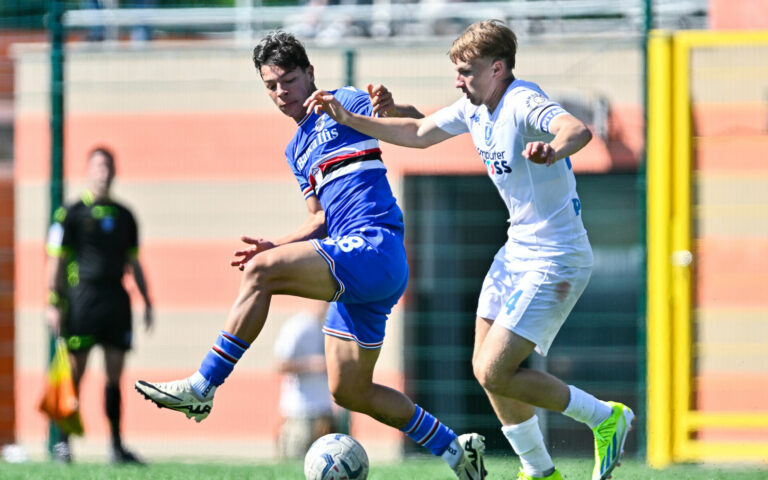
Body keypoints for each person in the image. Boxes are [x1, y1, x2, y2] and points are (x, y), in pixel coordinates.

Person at [134, 31, 486, 479]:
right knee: (349, 391)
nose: (282, 93)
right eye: (271, 86)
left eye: (289, 80)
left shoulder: (346, 100)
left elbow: (418, 125)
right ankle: (456, 450)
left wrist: (390, 109)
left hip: (374, 246)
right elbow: (318, 219)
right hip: (356, 262)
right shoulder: (296, 149)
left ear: (310, 74)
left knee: (262, 275)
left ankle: (203, 384)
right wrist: (277, 246)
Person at [304, 19, 634, 480]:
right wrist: (383, 112)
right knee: (485, 369)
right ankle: (540, 471)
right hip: (517, 249)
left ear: (498, 68)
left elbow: (576, 128)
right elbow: (419, 132)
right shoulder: (474, 107)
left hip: (555, 256)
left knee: (496, 369)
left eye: (466, 70)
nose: (458, 80)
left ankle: (605, 417)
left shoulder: (521, 100)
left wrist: (555, 149)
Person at [46, 146, 153, 464]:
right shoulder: (70, 213)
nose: (103, 172)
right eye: (97, 166)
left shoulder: (125, 216)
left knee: (114, 375)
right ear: (89, 171)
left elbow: (135, 263)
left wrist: (147, 300)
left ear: (114, 172)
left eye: (107, 166)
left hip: (116, 301)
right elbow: (56, 260)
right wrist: (54, 301)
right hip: (82, 300)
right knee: (75, 374)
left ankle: (116, 446)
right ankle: (63, 444)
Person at [274, 302, 336, 459]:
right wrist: (312, 364)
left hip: (324, 411)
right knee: (295, 464)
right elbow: (280, 364)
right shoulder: (298, 326)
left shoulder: (329, 328)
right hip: (300, 412)